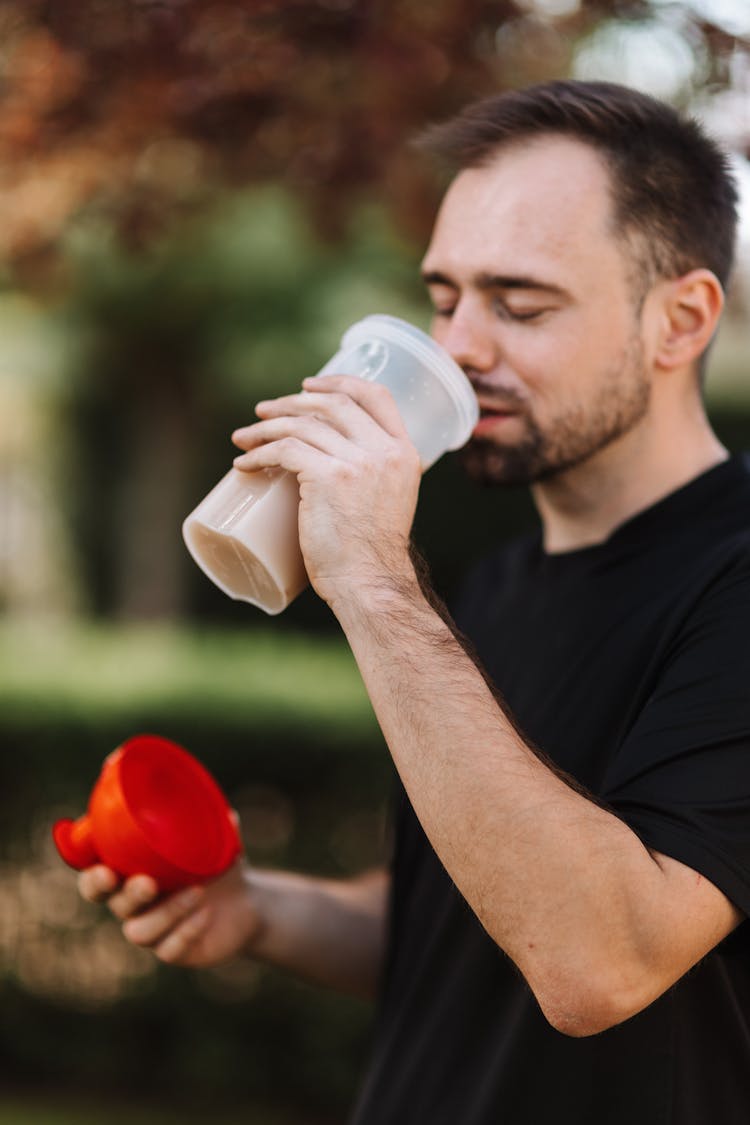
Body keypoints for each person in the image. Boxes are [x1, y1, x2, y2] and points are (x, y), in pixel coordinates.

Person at [79, 80, 750, 1123]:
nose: (462, 347)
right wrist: (257, 911)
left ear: (682, 319)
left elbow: (598, 961)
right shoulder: (487, 591)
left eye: (520, 304)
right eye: (444, 299)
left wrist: (372, 578)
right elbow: (474, 907)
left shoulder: (734, 577)